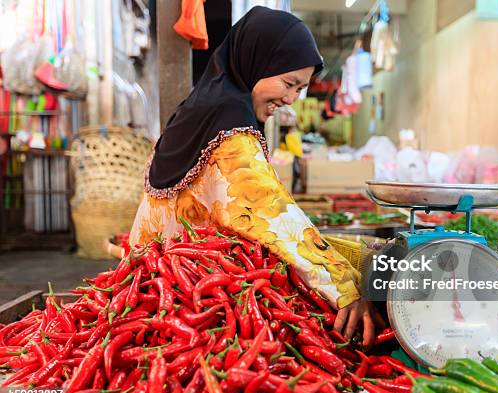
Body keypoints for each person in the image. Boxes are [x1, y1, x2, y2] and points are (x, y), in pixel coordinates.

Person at [130, 6, 380, 347]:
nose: (290, 99)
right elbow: (268, 212)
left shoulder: (201, 107)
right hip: (182, 304)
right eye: (289, 83)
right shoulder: (230, 123)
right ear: (257, 61)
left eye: (300, 89)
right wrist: (343, 286)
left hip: (150, 286)